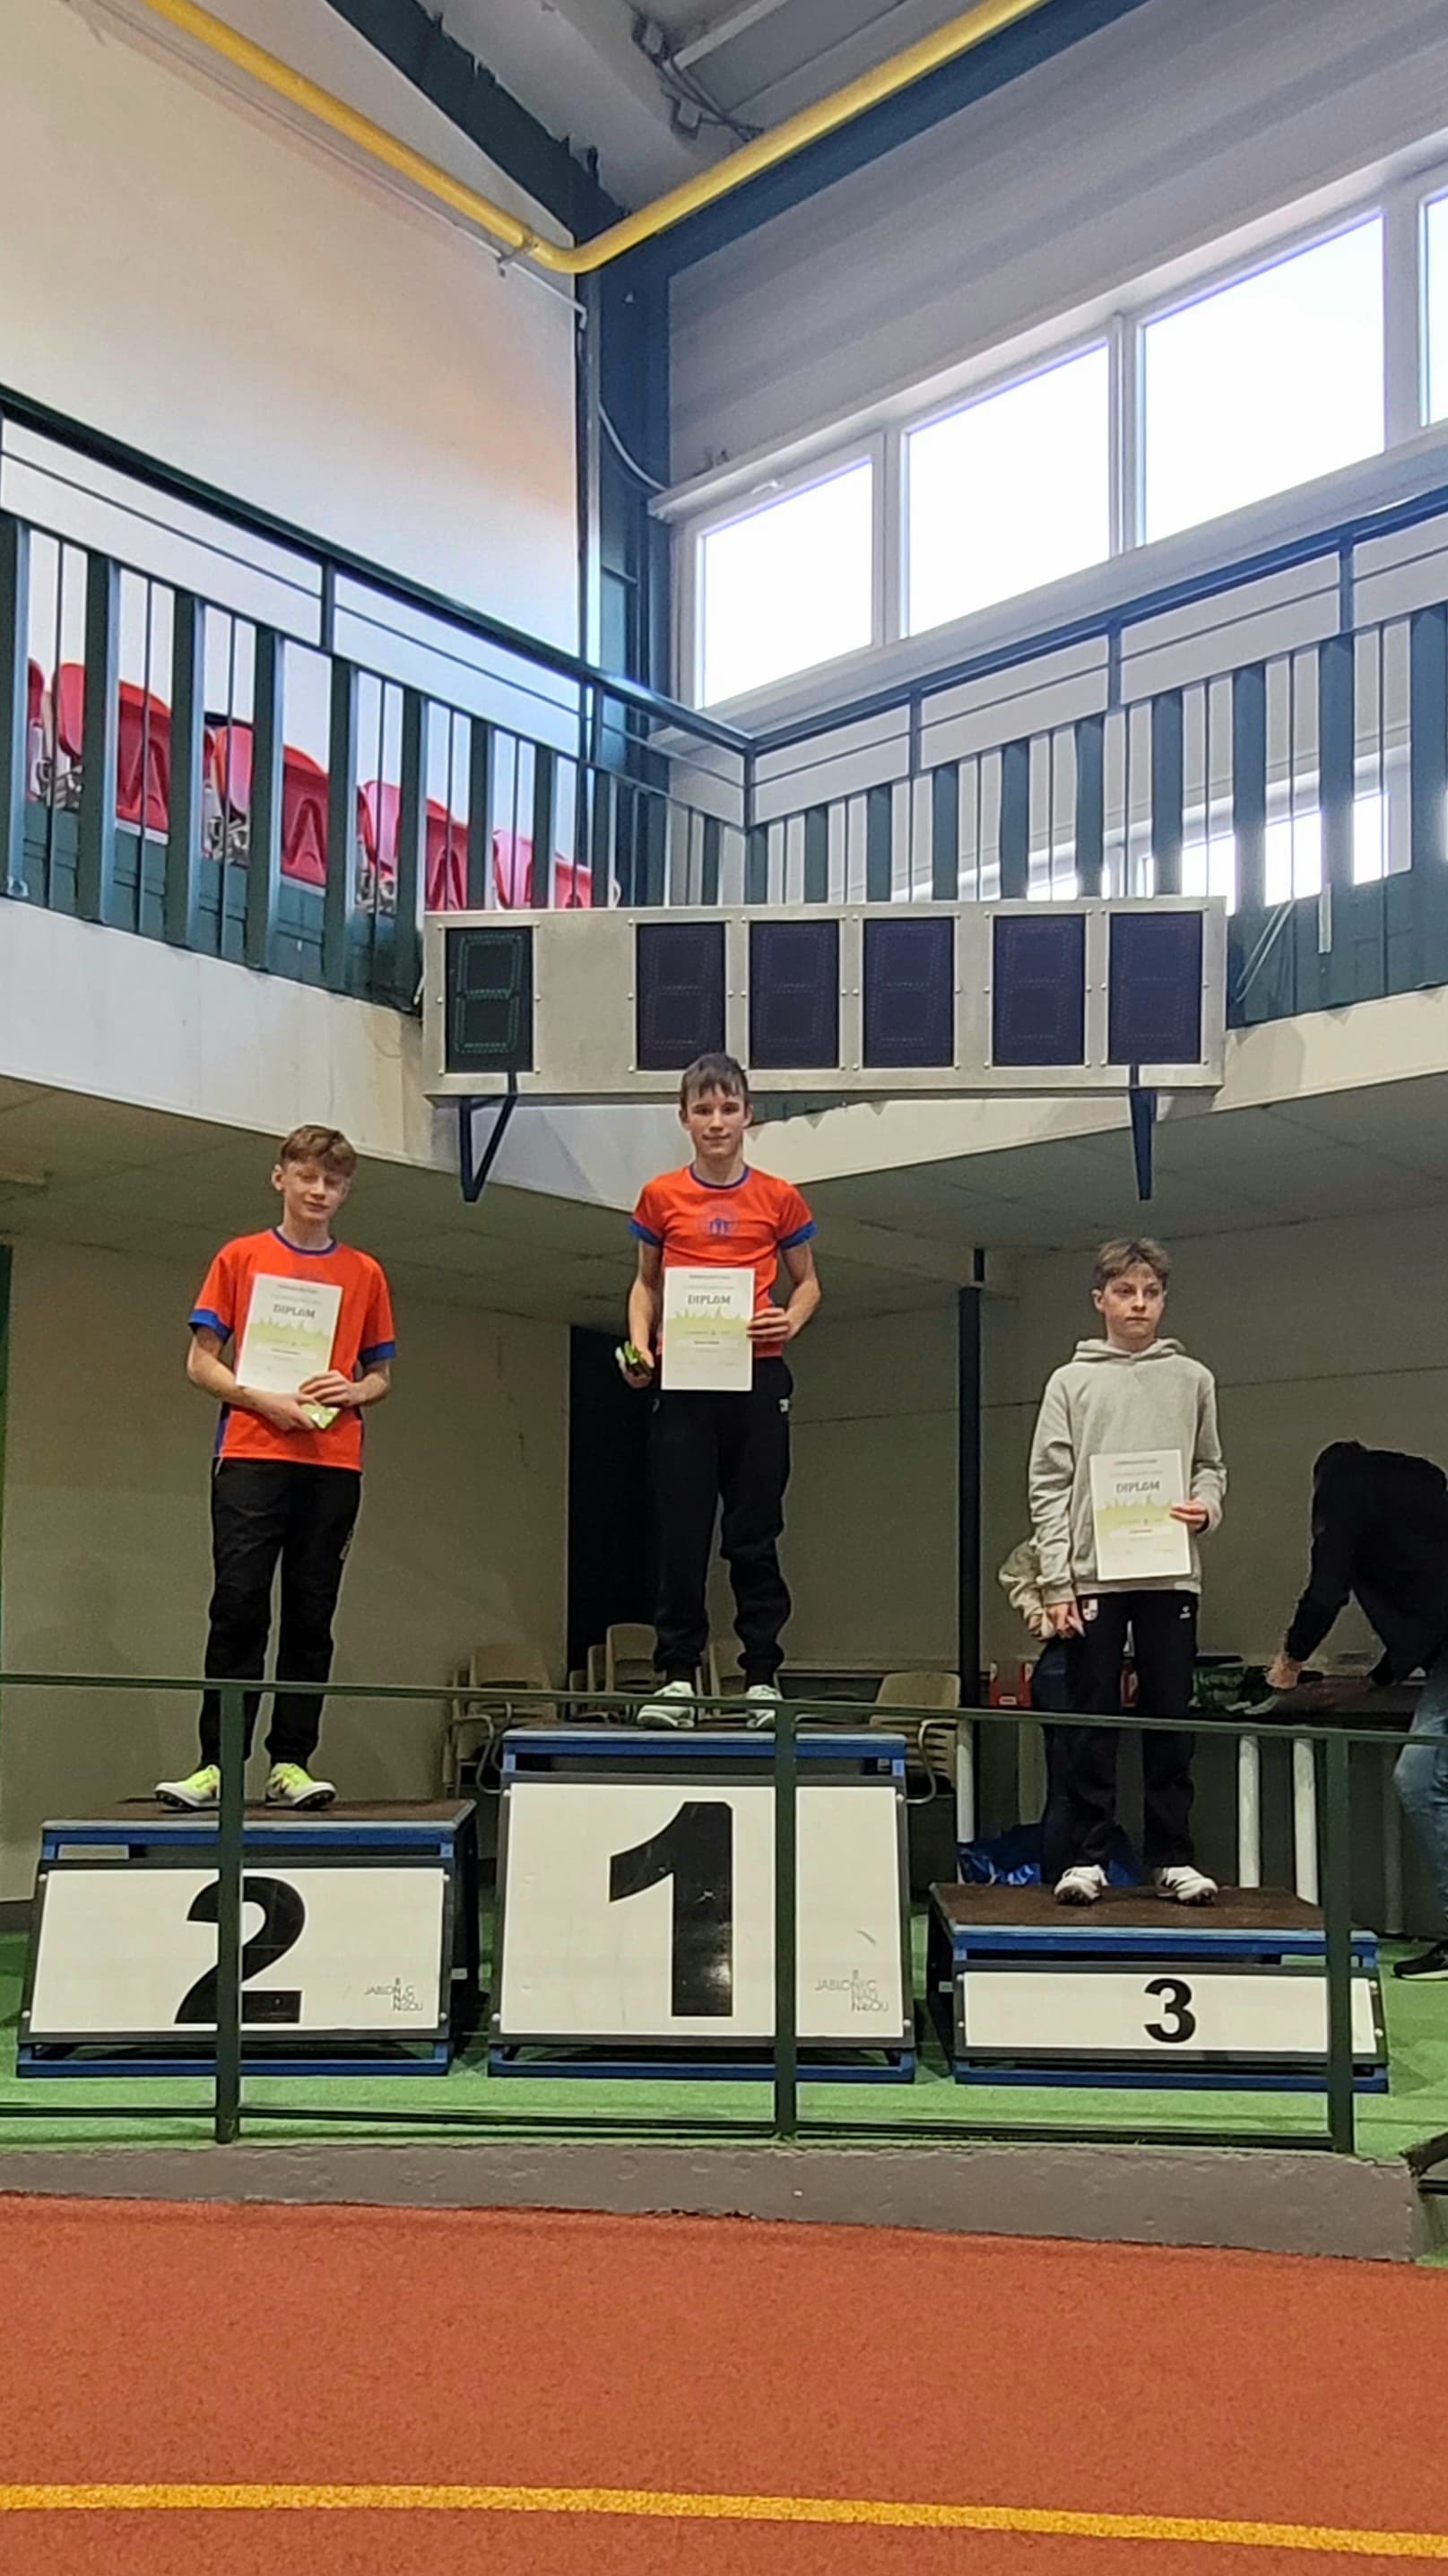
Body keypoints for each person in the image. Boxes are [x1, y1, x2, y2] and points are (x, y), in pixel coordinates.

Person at [155, 1124, 395, 1810]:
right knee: (238, 1605)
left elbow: (379, 1375)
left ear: (345, 1192)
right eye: (308, 1176)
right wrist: (260, 1398)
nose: (319, 1191)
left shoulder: (365, 1272)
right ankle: (217, 1764)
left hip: (332, 1459)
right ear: (280, 1177)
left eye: (333, 1182)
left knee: (312, 1612)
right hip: (251, 1453)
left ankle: (290, 1761)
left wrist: (353, 1390)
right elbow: (200, 1362)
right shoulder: (240, 1256)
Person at [620, 1054, 820, 1726]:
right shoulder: (659, 1196)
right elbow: (645, 1283)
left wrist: (788, 1319)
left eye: (728, 1108)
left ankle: (761, 1676)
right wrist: (639, 1346)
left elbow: (809, 1283)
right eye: (702, 1109)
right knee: (681, 1532)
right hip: (684, 1377)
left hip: (756, 1375)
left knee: (754, 1530)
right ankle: (677, 1676)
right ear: (683, 1118)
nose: (716, 1121)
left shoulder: (779, 1197)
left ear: (747, 1115)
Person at [1028, 1236, 1226, 1905]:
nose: (1138, 1304)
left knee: (1170, 1715)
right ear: (1100, 1300)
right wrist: (1057, 1581)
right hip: (1093, 1577)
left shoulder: (1193, 1379)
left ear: (1163, 1300)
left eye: (1150, 1292)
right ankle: (1088, 1858)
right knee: (1092, 1720)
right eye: (1124, 1291)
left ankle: (1172, 1857)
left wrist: (1206, 1506)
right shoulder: (1070, 1382)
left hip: (1170, 1573)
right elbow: (1048, 1485)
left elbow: (1210, 1465)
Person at [1268, 1443, 1448, 1981]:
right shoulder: (1420, 1489)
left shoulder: (1341, 1490)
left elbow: (1326, 1592)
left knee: (1419, 1779)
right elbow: (1432, 1608)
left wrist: (1289, 1662)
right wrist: (1373, 1682)